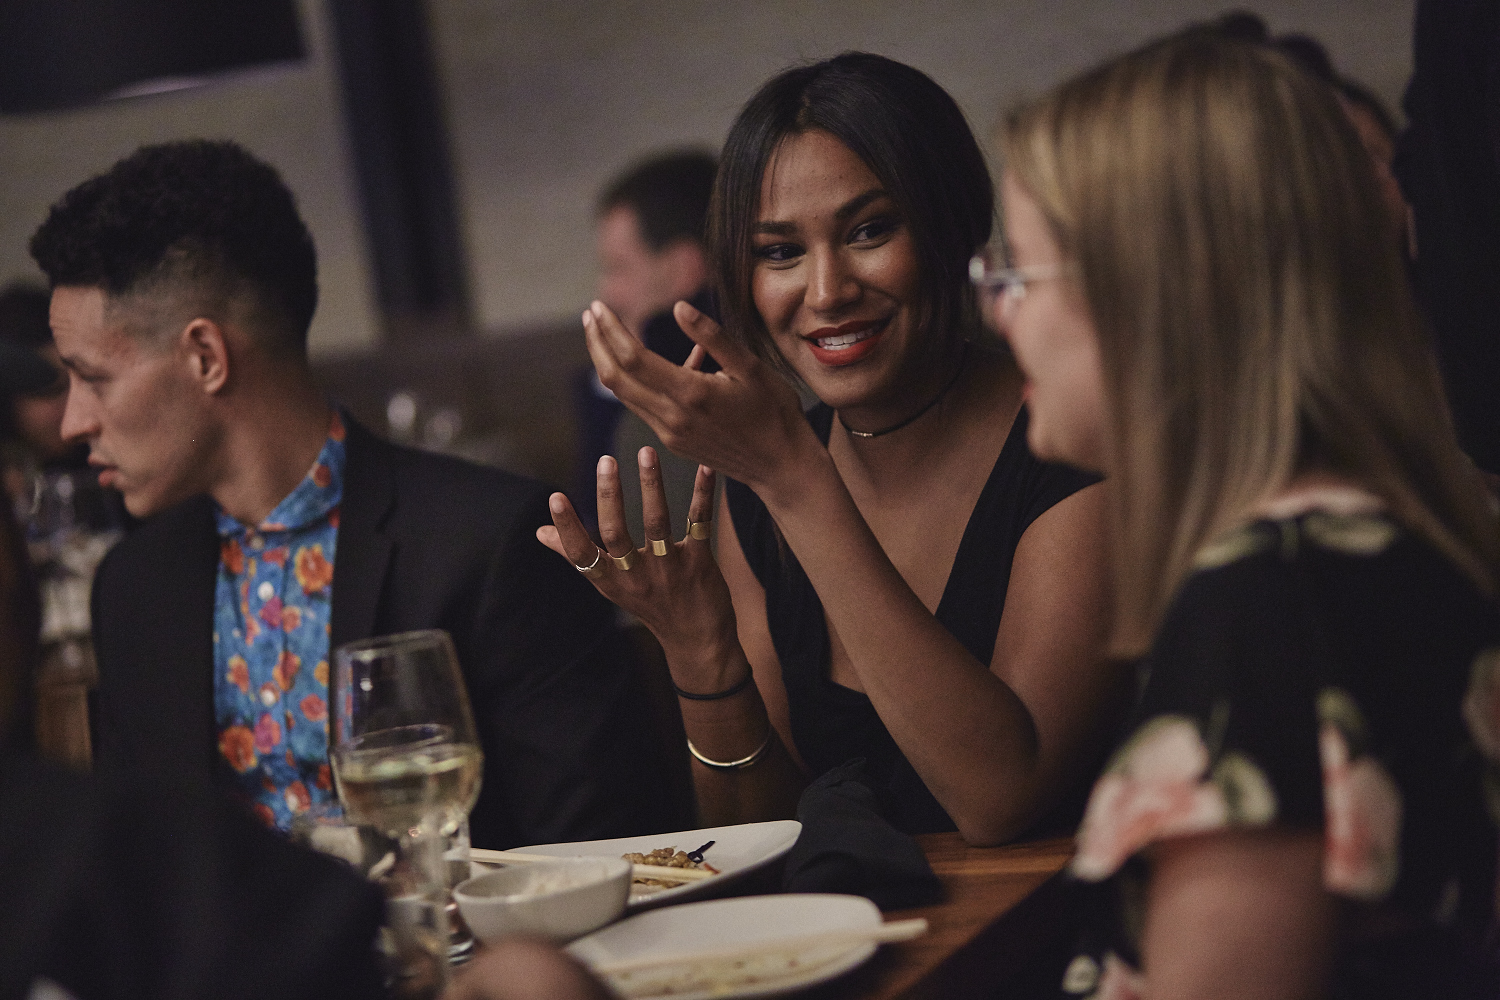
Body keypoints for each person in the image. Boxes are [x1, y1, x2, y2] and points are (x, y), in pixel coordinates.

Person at [991, 30, 1500, 997]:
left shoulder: (1275, 596)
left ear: (1157, 292)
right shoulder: (1375, 536)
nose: (998, 312)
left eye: (1018, 272)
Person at [543, 53, 1123, 844]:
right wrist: (701, 653)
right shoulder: (762, 490)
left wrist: (796, 481)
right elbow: (761, 841)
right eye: (780, 252)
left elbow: (999, 797)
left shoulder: (1070, 448)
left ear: (952, 227)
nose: (826, 292)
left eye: (870, 231)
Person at [28, 139, 674, 849]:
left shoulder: (489, 546)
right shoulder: (134, 587)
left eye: (93, 378)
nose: (73, 422)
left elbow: (596, 853)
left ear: (206, 358)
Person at [575, 150, 718, 539]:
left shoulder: (702, 396)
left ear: (684, 268)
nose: (606, 292)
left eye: (618, 267)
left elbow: (608, 529)